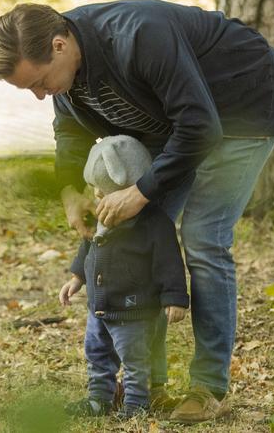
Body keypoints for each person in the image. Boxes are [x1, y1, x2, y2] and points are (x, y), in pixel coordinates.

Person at [0, 0, 274, 423]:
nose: (40, 95)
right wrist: (69, 189)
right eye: (29, 90)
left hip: (241, 103)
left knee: (203, 237)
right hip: (177, 123)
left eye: (38, 82)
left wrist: (141, 190)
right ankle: (150, 385)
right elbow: (69, 127)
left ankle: (208, 387)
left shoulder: (138, 35)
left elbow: (200, 126)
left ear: (58, 45)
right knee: (137, 230)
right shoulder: (66, 71)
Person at [59, 135, 189, 419]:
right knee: (97, 355)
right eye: (93, 188)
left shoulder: (155, 223)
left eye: (101, 190)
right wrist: (76, 278)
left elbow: (169, 262)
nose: (95, 196)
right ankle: (99, 398)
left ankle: (136, 403)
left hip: (134, 310)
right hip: (99, 308)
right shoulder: (101, 216)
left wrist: (175, 298)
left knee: (135, 360)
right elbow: (88, 246)